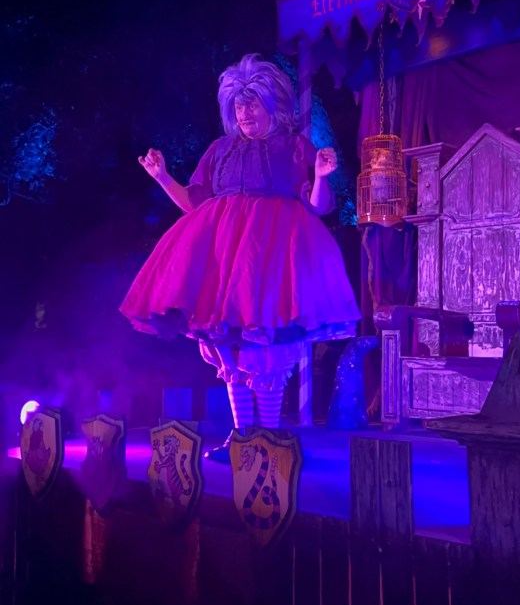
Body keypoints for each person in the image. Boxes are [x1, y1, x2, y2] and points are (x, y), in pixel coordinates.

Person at [120, 53, 360, 453]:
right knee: (230, 347)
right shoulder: (221, 149)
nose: (245, 114)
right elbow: (194, 202)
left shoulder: (294, 146)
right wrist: (162, 177)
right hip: (224, 259)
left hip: (274, 257)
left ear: (272, 106)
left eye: (253, 105)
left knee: (267, 345)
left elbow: (317, 206)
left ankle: (267, 439)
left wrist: (320, 177)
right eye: (239, 106)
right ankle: (242, 438)